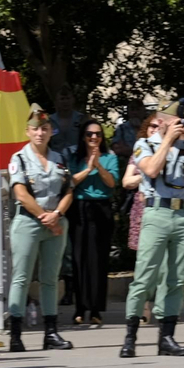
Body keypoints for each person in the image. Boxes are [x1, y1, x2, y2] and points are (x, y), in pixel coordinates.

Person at [119, 99, 184, 357]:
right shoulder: (144, 144)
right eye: (176, 120)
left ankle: (167, 337)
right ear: (163, 121)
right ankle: (130, 337)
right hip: (156, 211)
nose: (181, 124)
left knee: (177, 279)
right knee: (144, 277)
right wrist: (167, 140)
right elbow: (152, 170)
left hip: (183, 213)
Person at [6, 103, 74, 353]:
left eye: (45, 128)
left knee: (50, 279)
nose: (40, 133)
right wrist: (46, 216)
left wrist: (56, 215)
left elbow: (68, 191)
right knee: (21, 277)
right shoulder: (19, 159)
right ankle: (15, 334)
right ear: (27, 131)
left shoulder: (59, 159)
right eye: (35, 129)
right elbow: (21, 194)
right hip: (28, 222)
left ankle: (51, 332)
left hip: (55, 222)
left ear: (50, 131)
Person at [68, 119, 117, 326]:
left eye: (97, 134)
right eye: (89, 134)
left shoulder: (109, 157)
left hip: (101, 208)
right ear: (83, 137)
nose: (94, 138)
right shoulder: (75, 158)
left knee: (98, 259)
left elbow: (112, 183)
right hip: (79, 208)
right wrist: (88, 169)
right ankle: (80, 307)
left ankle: (96, 309)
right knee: (79, 259)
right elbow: (70, 181)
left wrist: (98, 165)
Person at [48, 85, 82, 155]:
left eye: (68, 98)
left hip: (78, 159)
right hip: (56, 160)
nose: (65, 101)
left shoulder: (81, 119)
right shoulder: (50, 121)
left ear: (73, 100)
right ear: (56, 101)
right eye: (62, 99)